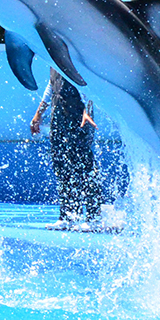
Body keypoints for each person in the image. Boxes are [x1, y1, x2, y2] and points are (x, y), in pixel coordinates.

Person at [31, 68, 101, 228]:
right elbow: (52, 84)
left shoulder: (78, 50)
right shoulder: (53, 55)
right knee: (61, 164)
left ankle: (94, 217)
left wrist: (87, 109)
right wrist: (39, 114)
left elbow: (91, 81)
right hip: (59, 112)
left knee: (84, 164)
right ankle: (69, 215)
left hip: (81, 113)